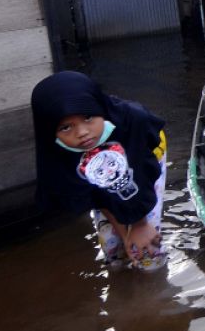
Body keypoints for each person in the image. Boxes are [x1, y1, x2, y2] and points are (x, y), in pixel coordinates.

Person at [31, 71, 168, 270]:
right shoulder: (59, 150)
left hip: (142, 158)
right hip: (98, 166)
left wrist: (138, 225)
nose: (82, 132)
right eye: (66, 127)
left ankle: (154, 276)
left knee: (147, 245)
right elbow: (94, 194)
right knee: (114, 249)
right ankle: (122, 277)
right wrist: (124, 233)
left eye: (88, 117)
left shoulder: (132, 122)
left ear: (100, 108)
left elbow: (138, 178)